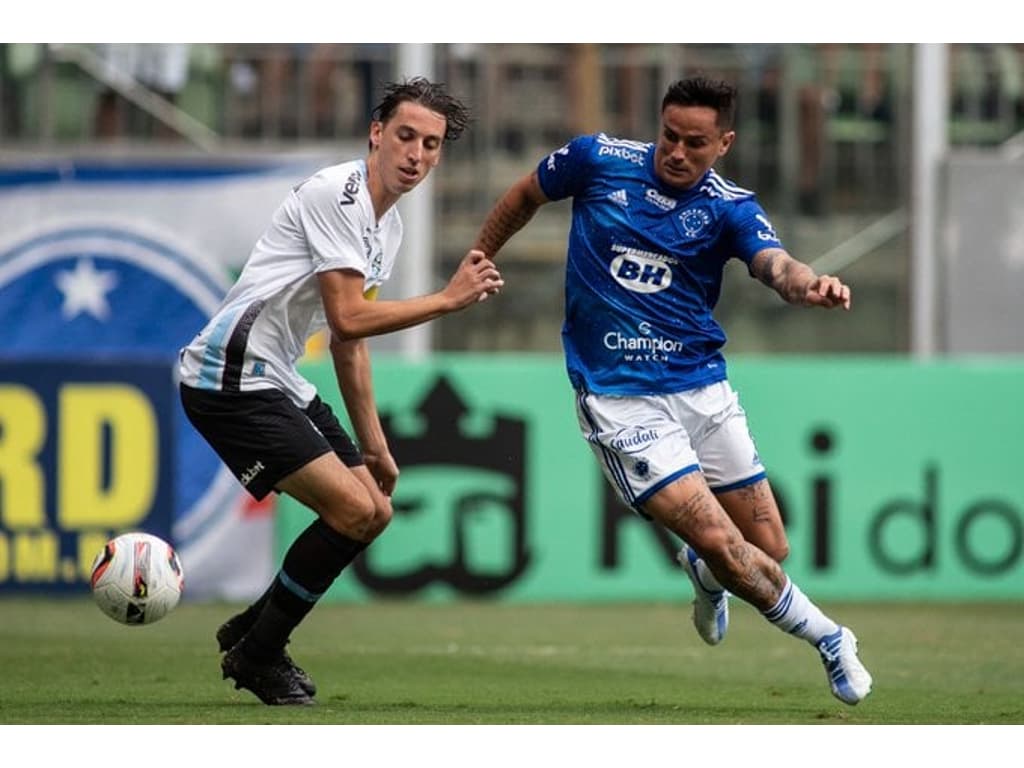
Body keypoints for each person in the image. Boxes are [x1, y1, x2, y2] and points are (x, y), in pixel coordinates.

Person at [471, 75, 872, 705]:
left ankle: (704, 576)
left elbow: (775, 264)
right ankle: (830, 637)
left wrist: (809, 284)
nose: (676, 152)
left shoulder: (729, 207)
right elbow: (526, 192)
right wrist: (480, 254)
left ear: (724, 143)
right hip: (619, 395)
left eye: (695, 142)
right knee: (721, 539)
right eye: (669, 136)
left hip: (701, 388)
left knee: (768, 548)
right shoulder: (598, 160)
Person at [178, 77, 503, 706]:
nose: (416, 155)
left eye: (432, 145)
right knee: (353, 513)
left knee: (373, 510)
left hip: (277, 376)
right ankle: (258, 654)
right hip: (229, 377)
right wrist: (447, 298)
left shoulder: (389, 227)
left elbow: (348, 342)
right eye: (405, 136)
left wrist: (374, 444)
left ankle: (256, 631)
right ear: (376, 133)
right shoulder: (339, 193)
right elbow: (350, 318)